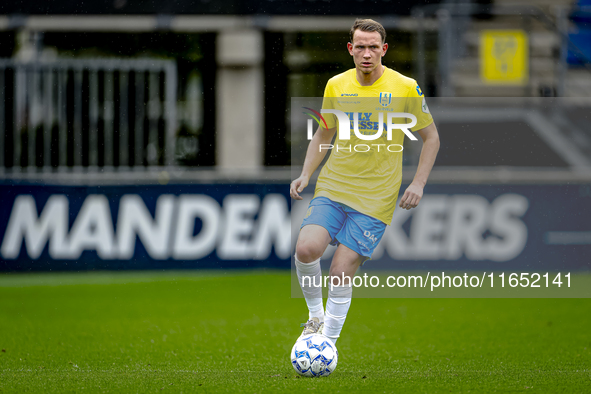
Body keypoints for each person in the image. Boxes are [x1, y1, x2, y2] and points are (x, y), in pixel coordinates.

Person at [290, 18, 440, 345]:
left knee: (341, 271)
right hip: (334, 186)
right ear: (350, 49)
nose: (367, 53)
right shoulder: (336, 85)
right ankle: (315, 318)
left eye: (374, 47)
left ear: (384, 50)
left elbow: (431, 139)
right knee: (305, 249)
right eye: (361, 46)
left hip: (376, 198)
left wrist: (418, 184)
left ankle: (327, 343)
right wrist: (306, 173)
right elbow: (324, 133)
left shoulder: (405, 87)